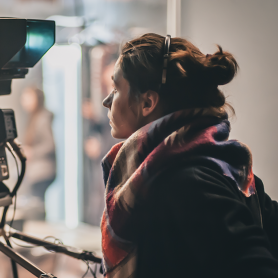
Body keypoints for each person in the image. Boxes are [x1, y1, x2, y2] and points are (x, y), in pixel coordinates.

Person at [99, 33, 278, 278]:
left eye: (116, 88)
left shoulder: (187, 183)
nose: (105, 101)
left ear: (148, 102)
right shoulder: (224, 166)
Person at [19, 86, 56, 220]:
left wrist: (32, 152)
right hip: (37, 171)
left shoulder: (42, 119)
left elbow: (49, 145)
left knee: (37, 207)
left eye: (27, 97)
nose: (24, 101)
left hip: (42, 171)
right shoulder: (34, 118)